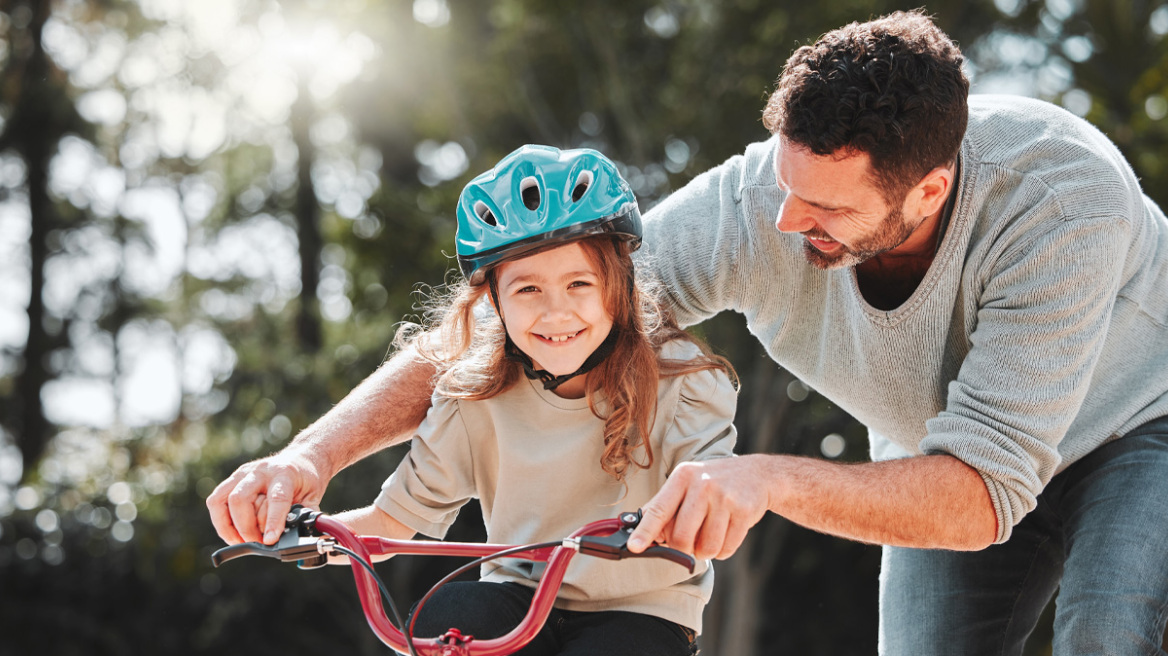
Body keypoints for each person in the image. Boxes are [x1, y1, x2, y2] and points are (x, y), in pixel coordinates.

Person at [210, 10, 1168, 654]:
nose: (786, 223)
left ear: (928, 191)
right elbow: (523, 329)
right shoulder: (758, 204)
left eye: (826, 208)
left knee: (1106, 633)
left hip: (1133, 433)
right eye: (785, 185)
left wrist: (766, 478)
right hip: (936, 454)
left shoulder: (1061, 202)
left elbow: (984, 492)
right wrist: (310, 457)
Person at [292, 145, 737, 655]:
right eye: (527, 290)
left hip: (643, 611)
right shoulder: (473, 396)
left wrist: (695, 517)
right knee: (451, 616)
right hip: (518, 605)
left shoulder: (682, 380)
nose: (555, 313)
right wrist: (307, 533)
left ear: (618, 285)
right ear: (495, 301)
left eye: (578, 283)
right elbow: (391, 522)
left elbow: (712, 495)